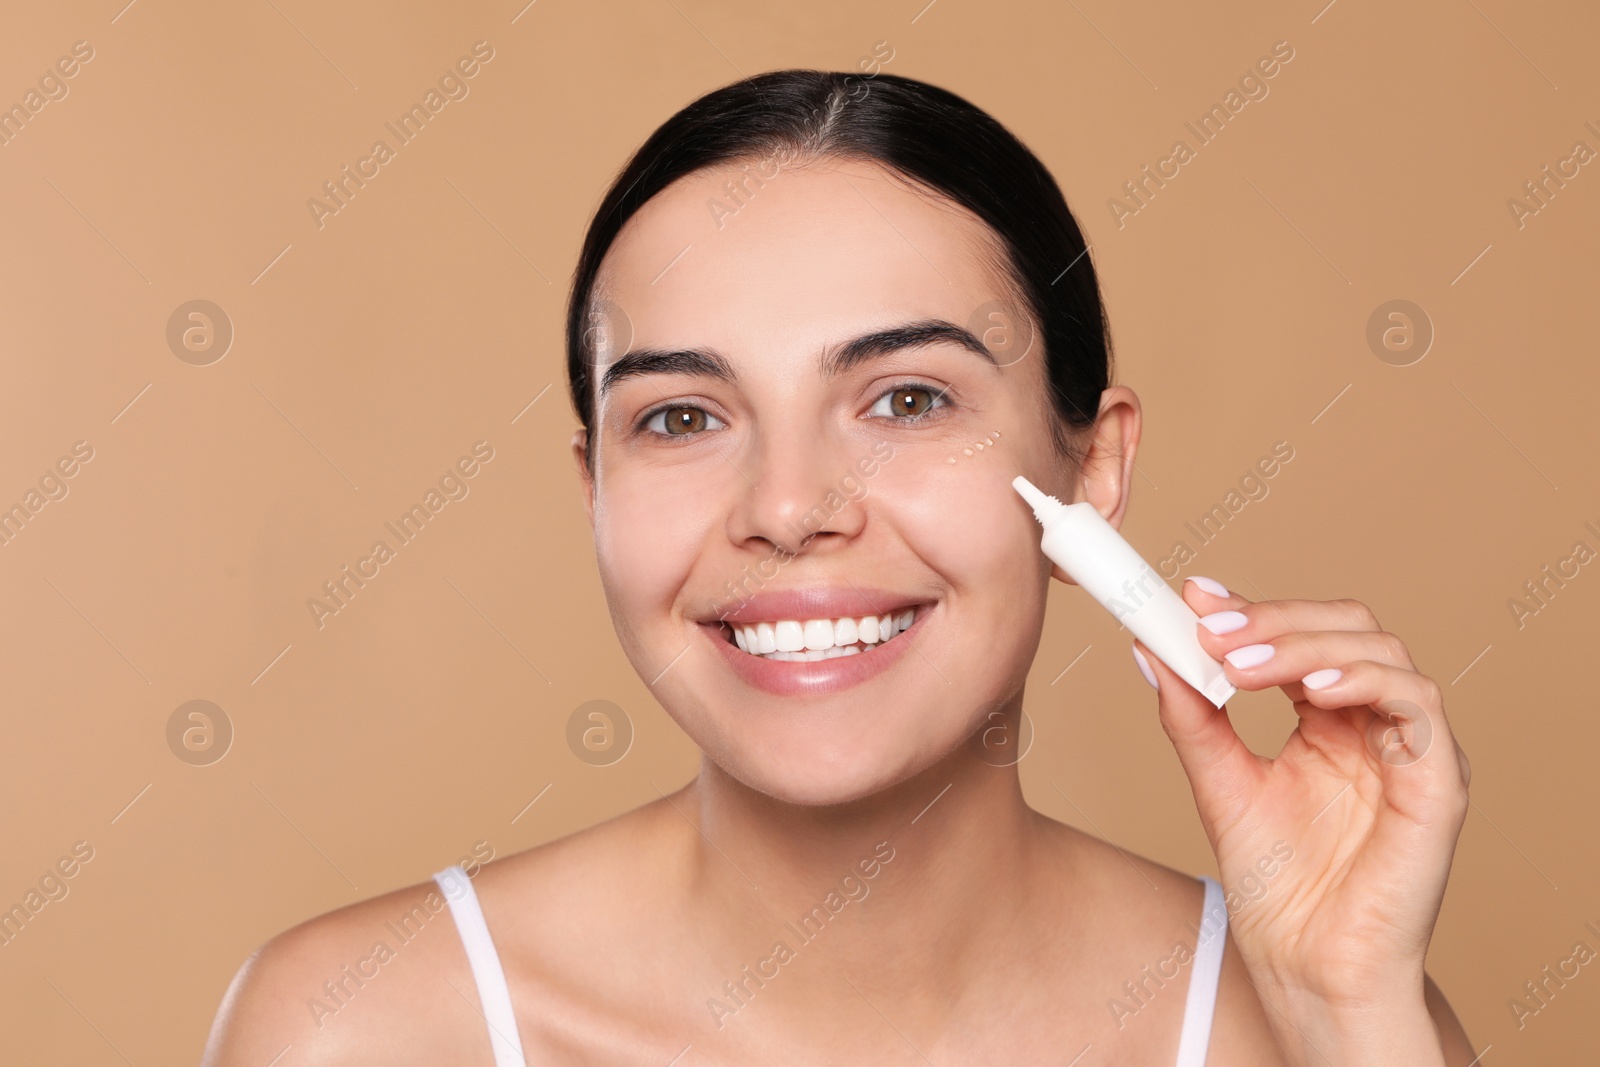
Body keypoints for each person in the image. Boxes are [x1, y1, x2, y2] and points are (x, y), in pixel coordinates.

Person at [202, 69, 1476, 1065]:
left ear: (1093, 468)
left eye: (908, 397)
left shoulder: (1328, 1020)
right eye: (683, 416)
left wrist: (1345, 1014)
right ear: (594, 486)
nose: (789, 505)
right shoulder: (353, 1028)